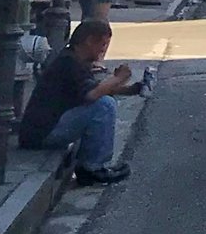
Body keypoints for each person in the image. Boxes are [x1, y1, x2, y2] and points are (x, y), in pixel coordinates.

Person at [18, 17, 140, 184]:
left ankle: (91, 163)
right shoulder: (69, 63)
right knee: (104, 106)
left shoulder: (75, 60)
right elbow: (91, 94)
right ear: (89, 41)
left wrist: (133, 89)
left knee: (102, 102)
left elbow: (95, 89)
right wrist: (117, 78)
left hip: (47, 129)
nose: (104, 51)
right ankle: (93, 167)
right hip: (43, 133)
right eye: (102, 45)